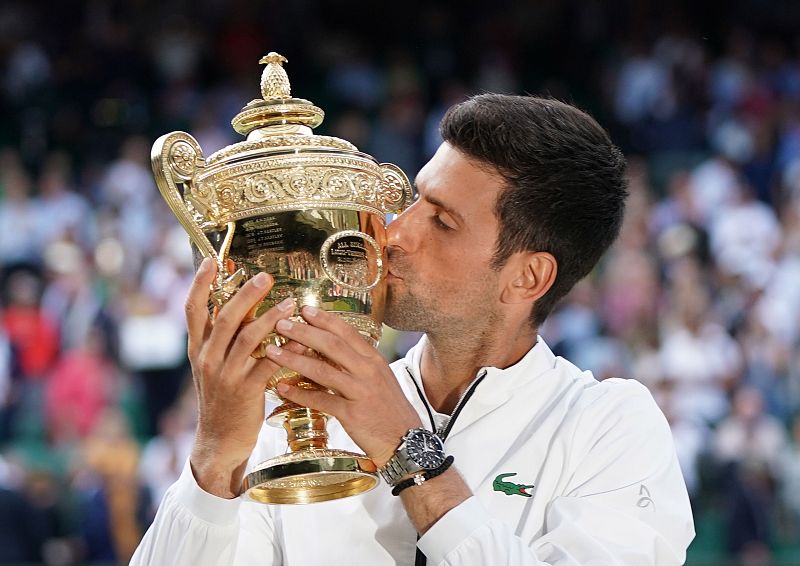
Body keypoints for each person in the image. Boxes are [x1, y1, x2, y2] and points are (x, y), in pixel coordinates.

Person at [131, 94, 694, 565]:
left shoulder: (609, 426)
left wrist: (407, 451)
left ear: (527, 277)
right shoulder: (302, 422)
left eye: (443, 221)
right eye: (415, 201)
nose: (396, 235)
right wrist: (214, 456)